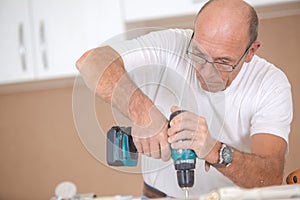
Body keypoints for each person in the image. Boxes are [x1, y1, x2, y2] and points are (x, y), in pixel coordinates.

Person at [76, 0, 293, 198]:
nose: (207, 71)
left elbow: (270, 178)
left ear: (250, 52)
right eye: (199, 54)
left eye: (223, 62)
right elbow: (91, 61)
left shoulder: (270, 84)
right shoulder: (171, 45)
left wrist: (214, 150)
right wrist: (142, 112)